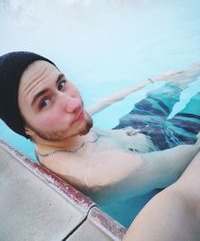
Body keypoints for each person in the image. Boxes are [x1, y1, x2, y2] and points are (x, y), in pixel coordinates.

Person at [0, 51, 200, 205]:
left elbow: (101, 104)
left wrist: (150, 82)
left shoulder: (58, 132)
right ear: (25, 128)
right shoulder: (105, 174)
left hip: (130, 127)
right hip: (165, 145)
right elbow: (190, 155)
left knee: (179, 80)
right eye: (44, 102)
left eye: (61, 84)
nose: (74, 104)